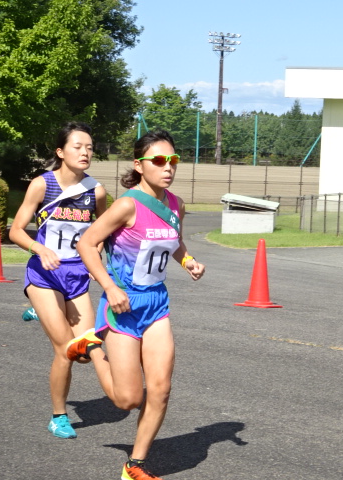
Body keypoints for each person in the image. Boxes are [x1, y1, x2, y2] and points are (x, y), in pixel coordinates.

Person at [74, 129, 205, 480]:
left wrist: (188, 260)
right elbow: (87, 244)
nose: (168, 167)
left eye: (173, 160)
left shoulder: (175, 204)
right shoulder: (127, 205)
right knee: (128, 400)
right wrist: (108, 286)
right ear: (139, 165)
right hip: (123, 306)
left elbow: (174, 241)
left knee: (160, 389)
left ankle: (135, 465)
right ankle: (92, 347)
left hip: (156, 305)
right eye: (159, 161)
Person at [9, 121, 107, 439]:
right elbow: (15, 230)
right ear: (61, 152)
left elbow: (100, 234)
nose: (85, 152)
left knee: (85, 350)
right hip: (44, 274)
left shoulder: (96, 190)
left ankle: (43, 311)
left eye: (89, 147)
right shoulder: (43, 185)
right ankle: (58, 416)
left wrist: (96, 262)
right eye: (78, 146)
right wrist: (39, 248)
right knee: (65, 348)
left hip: (77, 276)